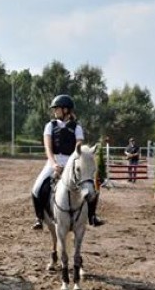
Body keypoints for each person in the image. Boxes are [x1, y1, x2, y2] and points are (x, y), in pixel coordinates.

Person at [30, 94, 103, 230]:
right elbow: (48, 147)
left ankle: (92, 216)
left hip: (72, 162)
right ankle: (39, 218)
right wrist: (53, 164)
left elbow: (78, 149)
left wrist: (70, 165)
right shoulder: (50, 126)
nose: (54, 111)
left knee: (90, 187)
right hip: (54, 160)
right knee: (36, 188)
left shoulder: (77, 128)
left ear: (66, 110)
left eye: (56, 108)